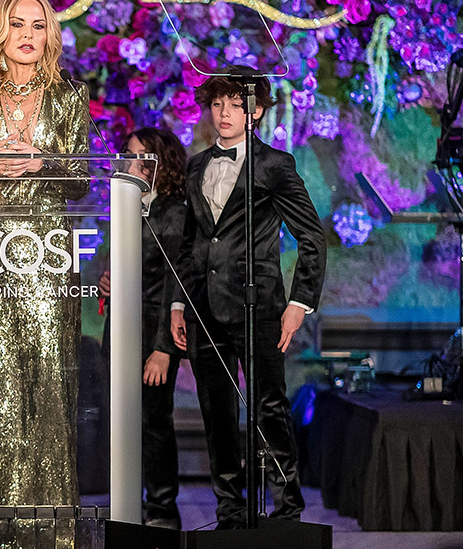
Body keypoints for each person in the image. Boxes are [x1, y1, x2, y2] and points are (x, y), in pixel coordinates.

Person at [0, 0, 90, 549]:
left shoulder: (68, 97)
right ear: (0, 33)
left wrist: (46, 161)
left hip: (49, 248)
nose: (28, 35)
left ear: (49, 34)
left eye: (38, 25)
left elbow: (81, 180)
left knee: (48, 383)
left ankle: (51, 525)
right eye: (18, 24)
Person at [168, 66, 326, 528]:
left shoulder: (274, 165)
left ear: (256, 111)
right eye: (217, 104)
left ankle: (287, 510)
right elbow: (188, 244)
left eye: (236, 105)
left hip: (258, 305)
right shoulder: (195, 165)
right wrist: (179, 303)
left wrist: (299, 303)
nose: (224, 113)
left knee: (268, 409)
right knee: (216, 414)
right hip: (202, 306)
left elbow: (312, 236)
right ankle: (229, 512)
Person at [98, 126, 189, 530]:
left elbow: (175, 282)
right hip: (118, 330)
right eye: (129, 154)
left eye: (142, 156)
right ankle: (126, 504)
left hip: (154, 332)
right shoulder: (124, 204)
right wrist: (108, 279)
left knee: (154, 422)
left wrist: (164, 348)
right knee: (120, 421)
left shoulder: (173, 210)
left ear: (161, 163)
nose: (131, 162)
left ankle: (164, 508)